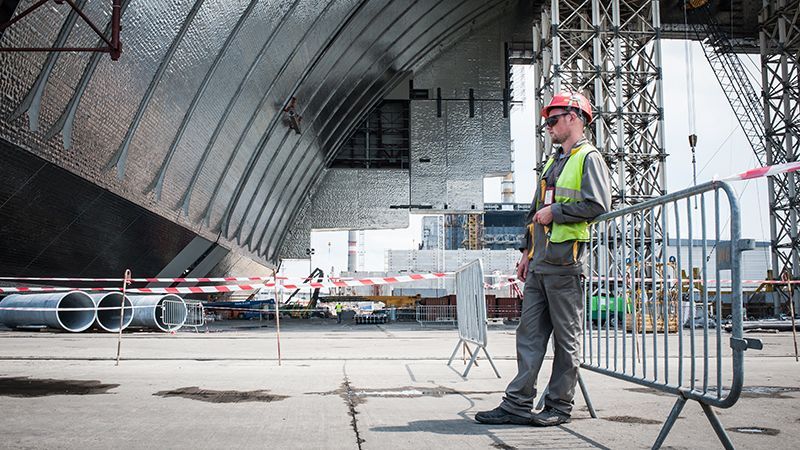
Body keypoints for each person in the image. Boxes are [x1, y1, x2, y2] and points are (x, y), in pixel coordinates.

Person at [475, 92, 611, 427]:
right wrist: (525, 251)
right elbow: (536, 211)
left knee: (566, 340)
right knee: (530, 336)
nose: (547, 127)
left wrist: (558, 212)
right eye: (547, 122)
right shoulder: (553, 162)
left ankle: (559, 406)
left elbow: (598, 205)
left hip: (565, 264)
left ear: (574, 118)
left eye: (553, 120)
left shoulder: (588, 158)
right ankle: (517, 403)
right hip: (539, 264)